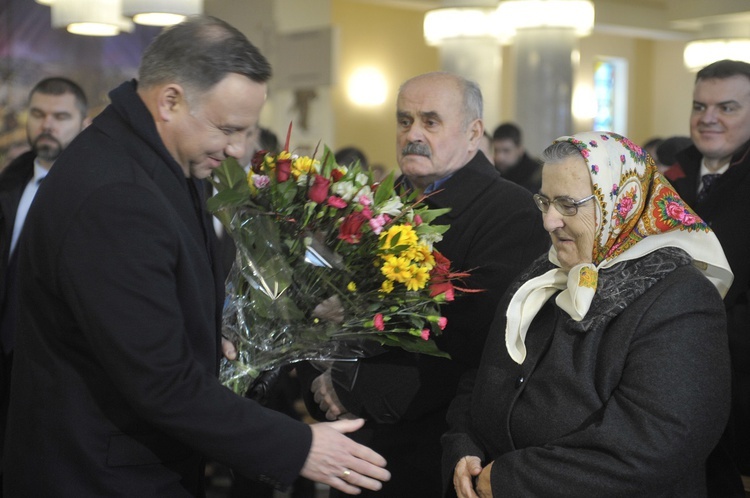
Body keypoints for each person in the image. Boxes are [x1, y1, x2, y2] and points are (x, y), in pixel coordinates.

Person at [3, 16, 390, 497]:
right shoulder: (118, 192)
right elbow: (160, 381)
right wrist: (299, 446)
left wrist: (211, 335)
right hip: (98, 473)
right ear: (170, 100)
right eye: (228, 128)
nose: (235, 149)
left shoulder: (154, 157)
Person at [444, 131, 734, 497]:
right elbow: (480, 375)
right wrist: (463, 448)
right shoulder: (541, 272)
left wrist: (509, 480)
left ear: (622, 202)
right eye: (545, 202)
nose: (550, 221)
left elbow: (656, 443)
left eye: (568, 204)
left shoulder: (681, 297)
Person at [300, 71, 550, 497]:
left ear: (474, 133)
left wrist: (351, 385)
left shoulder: (512, 211)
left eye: (430, 122)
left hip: (435, 447)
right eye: (404, 121)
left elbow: (476, 336)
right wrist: (322, 367)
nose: (412, 133)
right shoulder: (378, 202)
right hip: (358, 439)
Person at [664, 58, 750, 486]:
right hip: (669, 371)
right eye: (700, 106)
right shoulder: (668, 183)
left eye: (727, 107)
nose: (708, 118)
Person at [0, 76, 89, 483]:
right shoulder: (9, 185)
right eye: (38, 114)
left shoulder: (95, 194)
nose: (47, 124)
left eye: (60, 116)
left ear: (83, 123)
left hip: (57, 371)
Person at [491, 122, 542, 192]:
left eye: (506, 151)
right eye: (496, 150)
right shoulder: (492, 172)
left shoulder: (536, 176)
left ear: (520, 149)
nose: (499, 157)